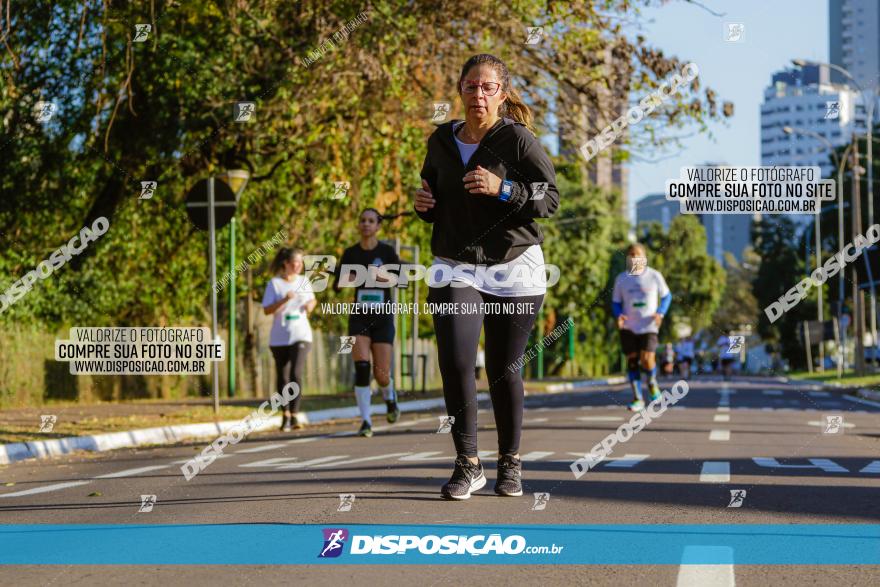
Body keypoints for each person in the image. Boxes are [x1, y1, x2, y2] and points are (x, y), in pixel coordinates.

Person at [414, 53, 559, 500]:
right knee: (456, 361)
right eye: (471, 86)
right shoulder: (441, 141)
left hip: (514, 266)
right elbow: (436, 194)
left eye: (487, 87)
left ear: (503, 93)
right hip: (456, 263)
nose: (478, 94)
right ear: (459, 89)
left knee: (502, 369)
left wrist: (505, 189)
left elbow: (550, 197)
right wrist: (427, 207)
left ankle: (510, 463)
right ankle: (467, 464)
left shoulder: (517, 140)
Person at [334, 208, 405, 438]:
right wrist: (359, 276)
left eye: (371, 221)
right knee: (362, 368)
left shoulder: (386, 252)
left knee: (381, 374)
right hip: (359, 317)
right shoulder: (351, 253)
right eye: (362, 220)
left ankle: (390, 398)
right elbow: (339, 282)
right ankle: (365, 421)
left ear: (378, 226)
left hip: (383, 317)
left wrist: (381, 276)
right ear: (359, 225)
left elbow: (401, 280)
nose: (366, 224)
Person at [611, 243, 672, 411]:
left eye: (638, 254)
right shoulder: (621, 278)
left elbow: (667, 296)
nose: (634, 257)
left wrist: (660, 313)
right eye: (631, 254)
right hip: (628, 326)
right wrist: (618, 316)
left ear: (644, 257)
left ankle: (652, 382)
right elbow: (616, 302)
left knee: (647, 359)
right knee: (632, 360)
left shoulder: (654, 276)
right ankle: (637, 398)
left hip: (649, 325)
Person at [261, 247, 316, 431]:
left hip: (301, 333)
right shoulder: (274, 284)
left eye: (301, 263)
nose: (299, 266)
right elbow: (267, 310)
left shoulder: (304, 281)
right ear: (286, 264)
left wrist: (310, 304)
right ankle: (284, 414)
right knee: (282, 376)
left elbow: (312, 300)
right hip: (279, 336)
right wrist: (284, 300)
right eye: (295, 263)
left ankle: (295, 414)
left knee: (296, 372)